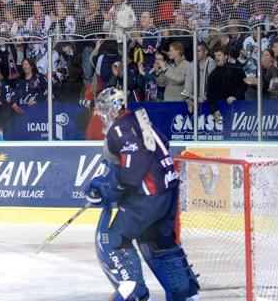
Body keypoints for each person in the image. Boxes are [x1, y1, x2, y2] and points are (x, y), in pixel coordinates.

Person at [85, 87, 200, 301]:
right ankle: (186, 294)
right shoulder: (140, 120)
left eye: (102, 111)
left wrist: (107, 189)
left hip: (149, 198)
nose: (100, 117)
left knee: (114, 240)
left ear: (111, 110)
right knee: (159, 243)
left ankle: (133, 292)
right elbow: (162, 143)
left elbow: (131, 172)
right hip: (169, 192)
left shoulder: (119, 129)